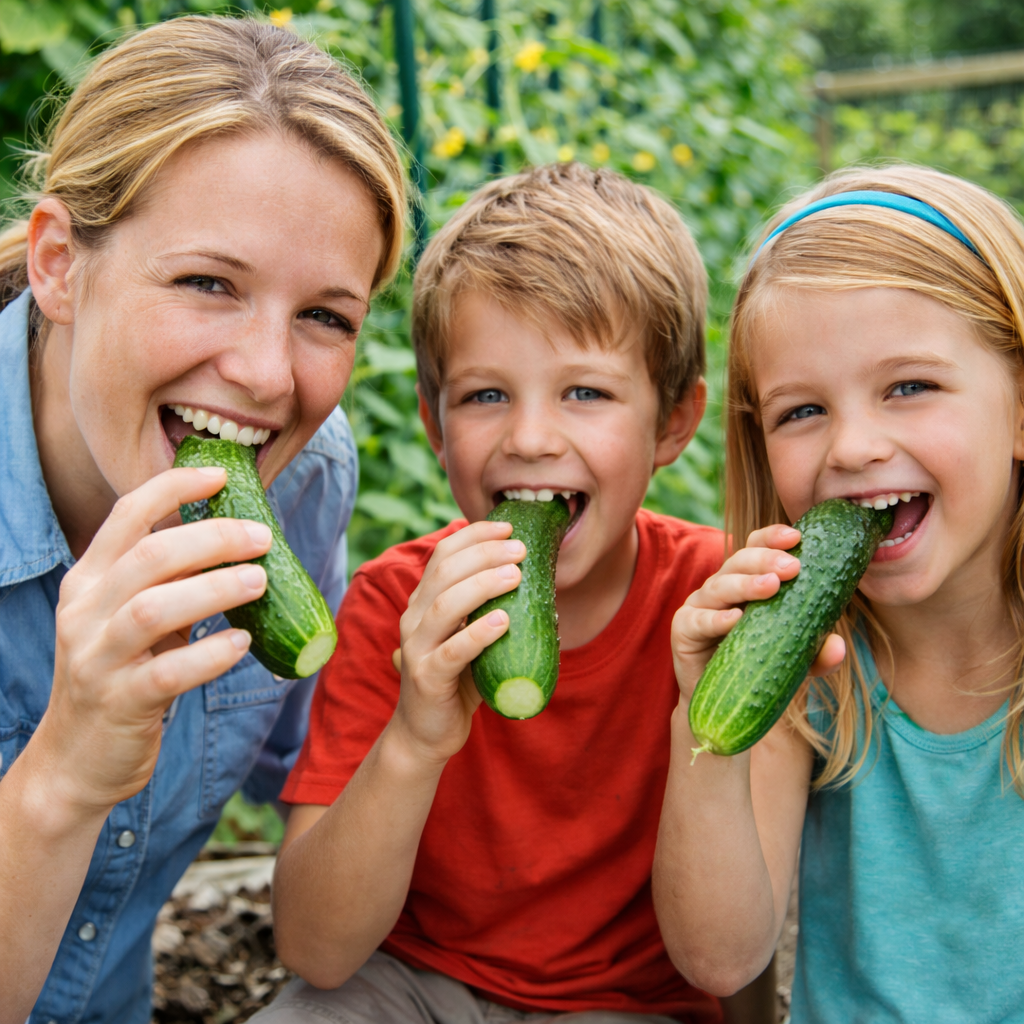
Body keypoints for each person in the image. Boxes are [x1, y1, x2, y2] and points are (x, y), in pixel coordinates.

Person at [250, 162, 770, 1024]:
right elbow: (313, 949)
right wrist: (415, 737)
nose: (530, 437)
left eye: (586, 392)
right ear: (436, 428)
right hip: (409, 982)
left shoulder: (717, 601)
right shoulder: (395, 605)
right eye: (486, 395)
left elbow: (729, 953)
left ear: (674, 421)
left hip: (628, 1002)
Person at [0, 16, 405, 1024]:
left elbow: (309, 795)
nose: (268, 376)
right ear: (58, 261)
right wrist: (62, 775)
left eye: (325, 315)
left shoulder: (307, 478)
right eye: (207, 283)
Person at [655, 164, 1024, 1023]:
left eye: (909, 387)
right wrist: (702, 720)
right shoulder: (815, 666)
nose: (854, 447)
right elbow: (718, 956)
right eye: (801, 411)